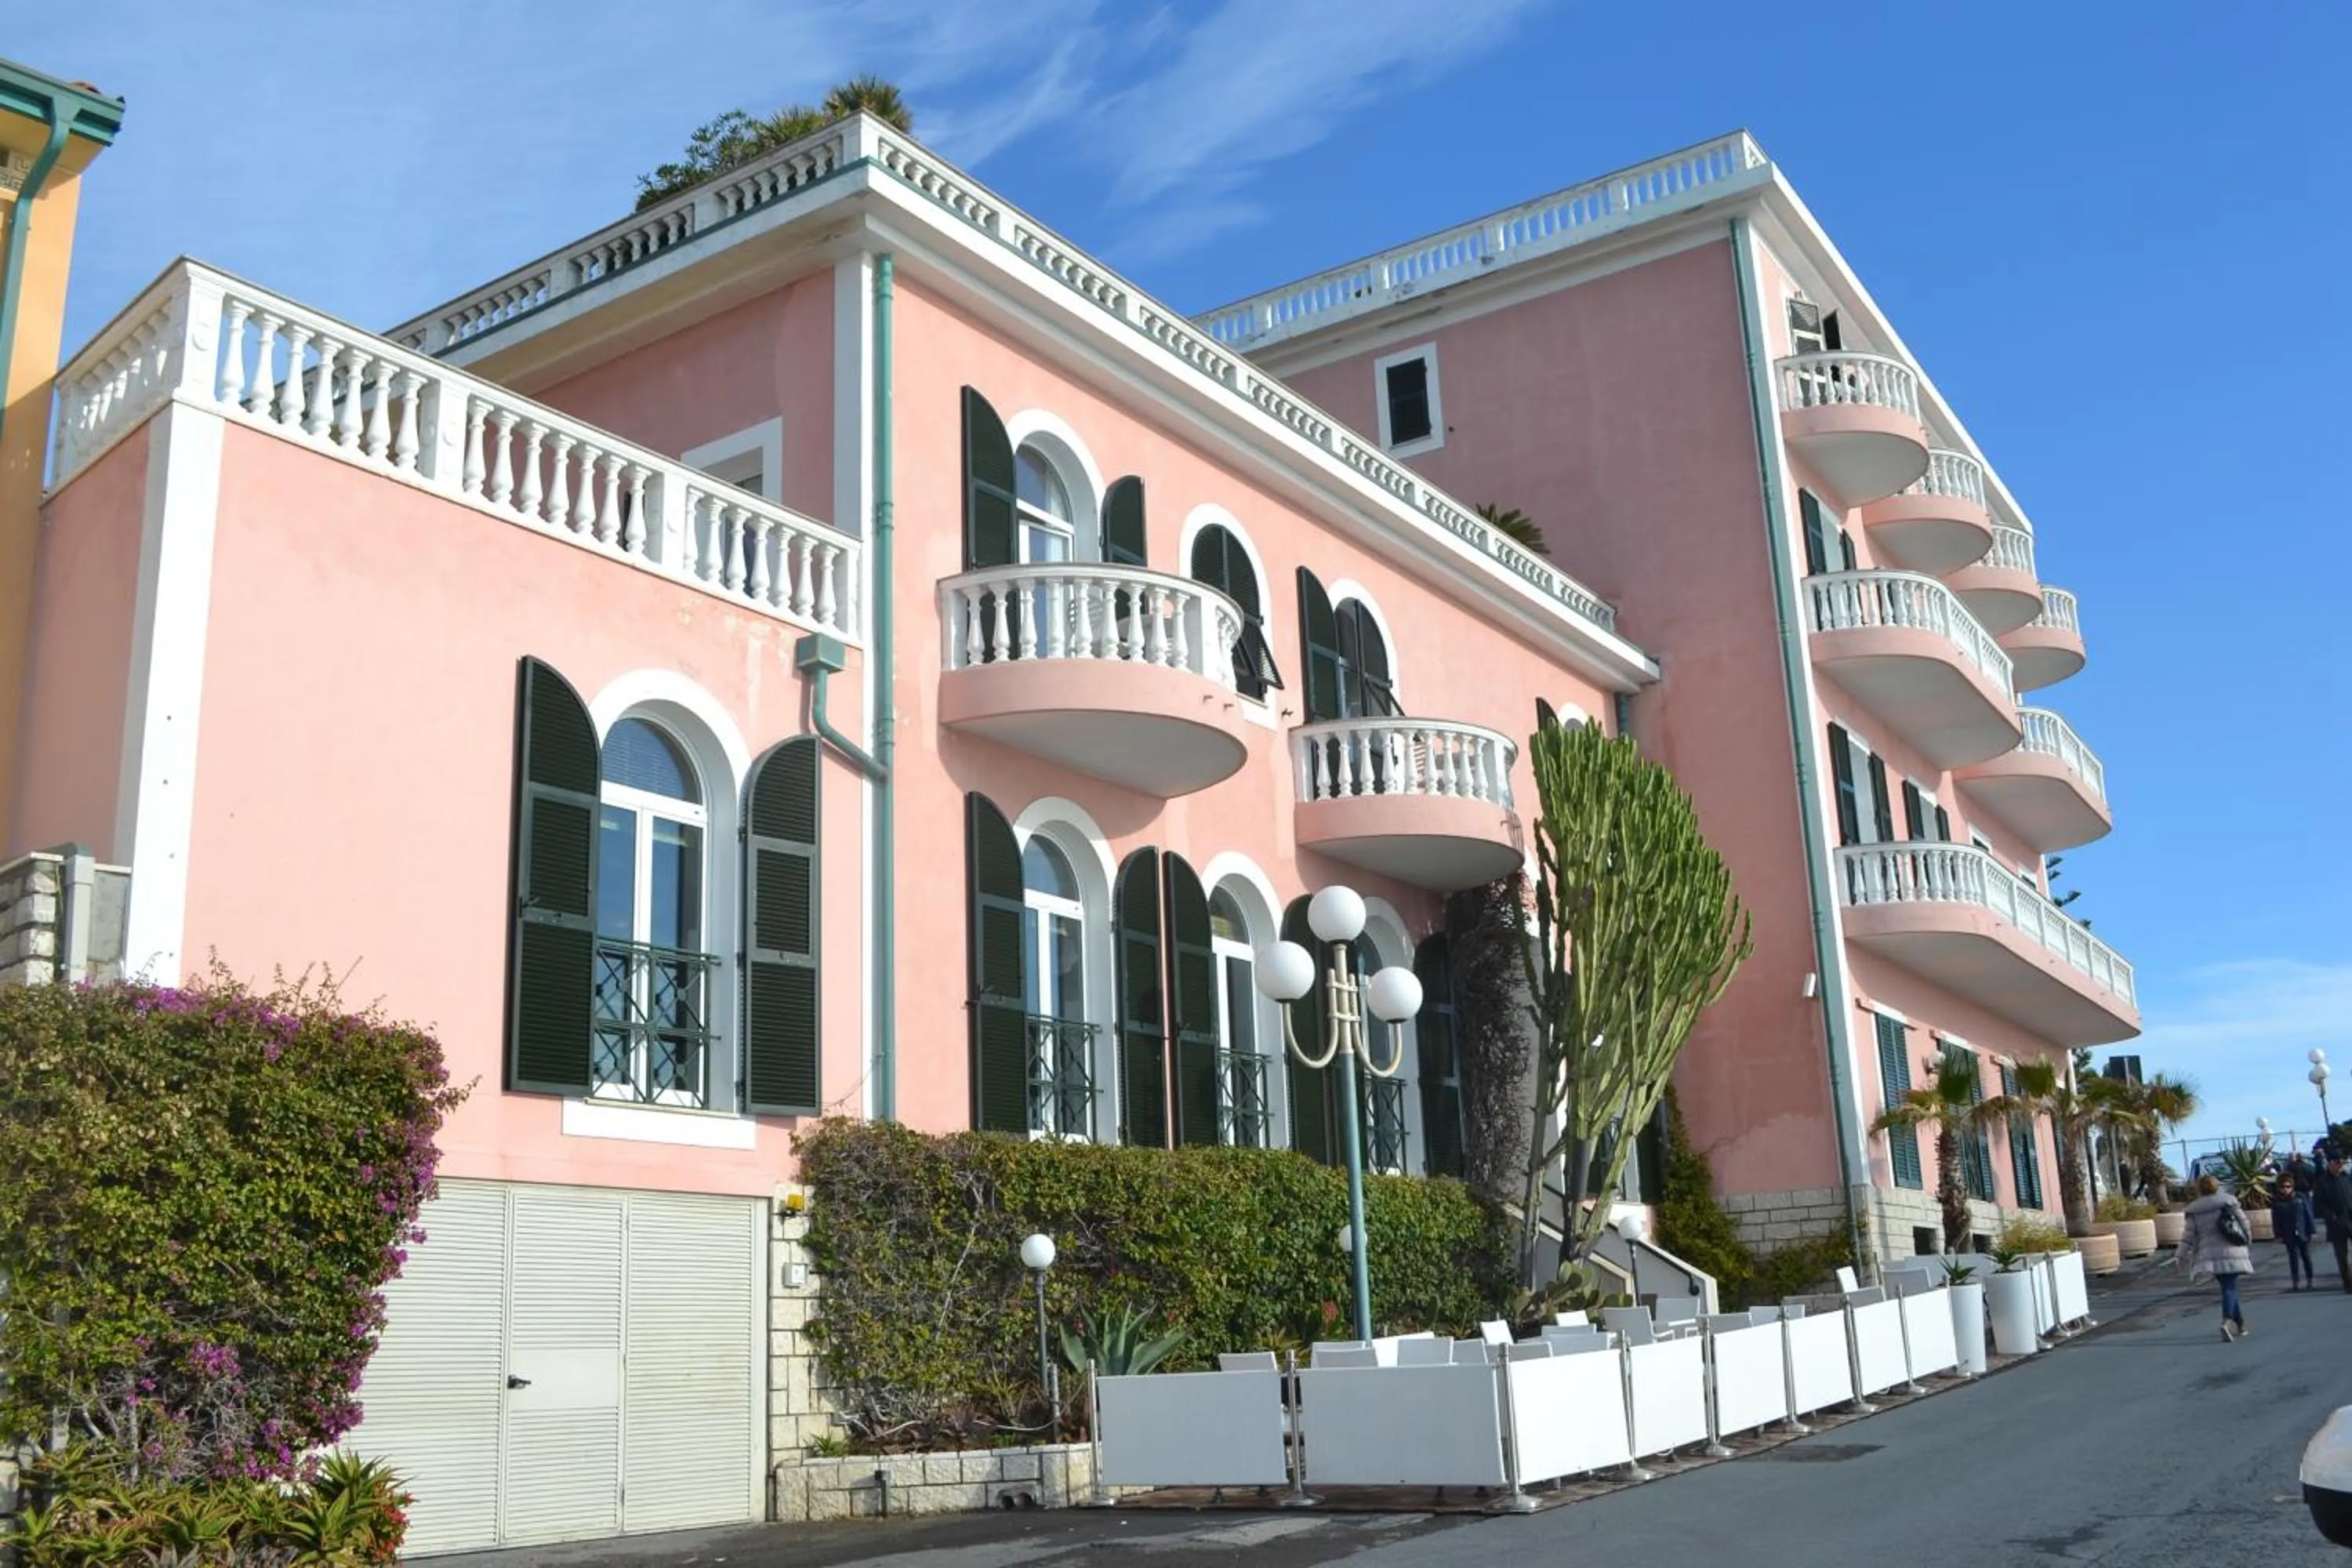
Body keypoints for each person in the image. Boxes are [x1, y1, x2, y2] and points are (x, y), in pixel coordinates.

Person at [2179, 1174, 2255, 1341]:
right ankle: (2227, 1321)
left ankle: (2240, 1324)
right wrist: (2248, 1239)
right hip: (2232, 1249)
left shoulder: (2195, 1210)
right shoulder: (2229, 1202)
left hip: (2211, 1255)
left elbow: (2188, 1235)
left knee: (2228, 1287)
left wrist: (2181, 1255)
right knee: (2230, 1287)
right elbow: (2243, 1222)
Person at [2274, 1171, 2319, 1290]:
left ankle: (2310, 1280)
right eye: (2283, 1187)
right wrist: (2278, 1235)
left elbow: (2308, 1214)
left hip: (2302, 1231)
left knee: (2306, 1257)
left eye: (2288, 1186)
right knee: (2293, 1258)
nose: (2286, 1189)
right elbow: (2276, 1220)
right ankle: (2296, 1281)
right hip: (2288, 1233)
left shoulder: (2300, 1197)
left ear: (2292, 1187)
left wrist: (2312, 1231)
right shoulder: (2278, 1202)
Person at [2314, 1152, 2352, 1294]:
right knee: (2342, 1256)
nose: (2340, 1165)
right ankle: (2348, 1284)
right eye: (2337, 1162)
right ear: (2330, 1164)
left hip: (2350, 1220)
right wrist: (2332, 1216)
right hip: (2336, 1224)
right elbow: (2318, 1204)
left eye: (2343, 1162)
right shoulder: (2322, 1181)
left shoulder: (2347, 1177)